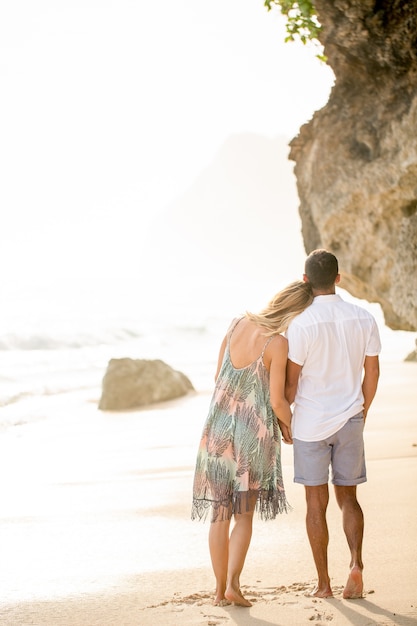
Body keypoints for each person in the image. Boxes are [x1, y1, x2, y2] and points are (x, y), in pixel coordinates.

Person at [191, 280, 313, 607]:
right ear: (295, 313)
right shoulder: (278, 343)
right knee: (243, 517)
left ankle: (218, 592)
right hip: (251, 435)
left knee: (219, 515)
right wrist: (290, 427)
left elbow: (219, 377)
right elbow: (277, 402)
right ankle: (233, 584)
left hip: (216, 429)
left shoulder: (235, 325)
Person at [285, 249, 381, 600]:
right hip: (350, 417)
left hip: (311, 424)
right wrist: (363, 410)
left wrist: (283, 416)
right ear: (339, 279)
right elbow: (372, 372)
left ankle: (323, 584)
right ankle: (355, 563)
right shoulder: (362, 318)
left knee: (315, 503)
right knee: (349, 498)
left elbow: (292, 384)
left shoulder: (301, 324)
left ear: (306, 280)